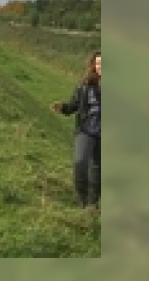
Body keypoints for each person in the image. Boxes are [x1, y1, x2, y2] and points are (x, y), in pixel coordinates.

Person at [50, 51, 101, 209]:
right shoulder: (84, 85)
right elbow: (74, 106)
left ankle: (92, 204)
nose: (101, 67)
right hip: (85, 130)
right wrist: (63, 107)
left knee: (97, 169)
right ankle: (82, 198)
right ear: (93, 65)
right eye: (98, 63)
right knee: (80, 162)